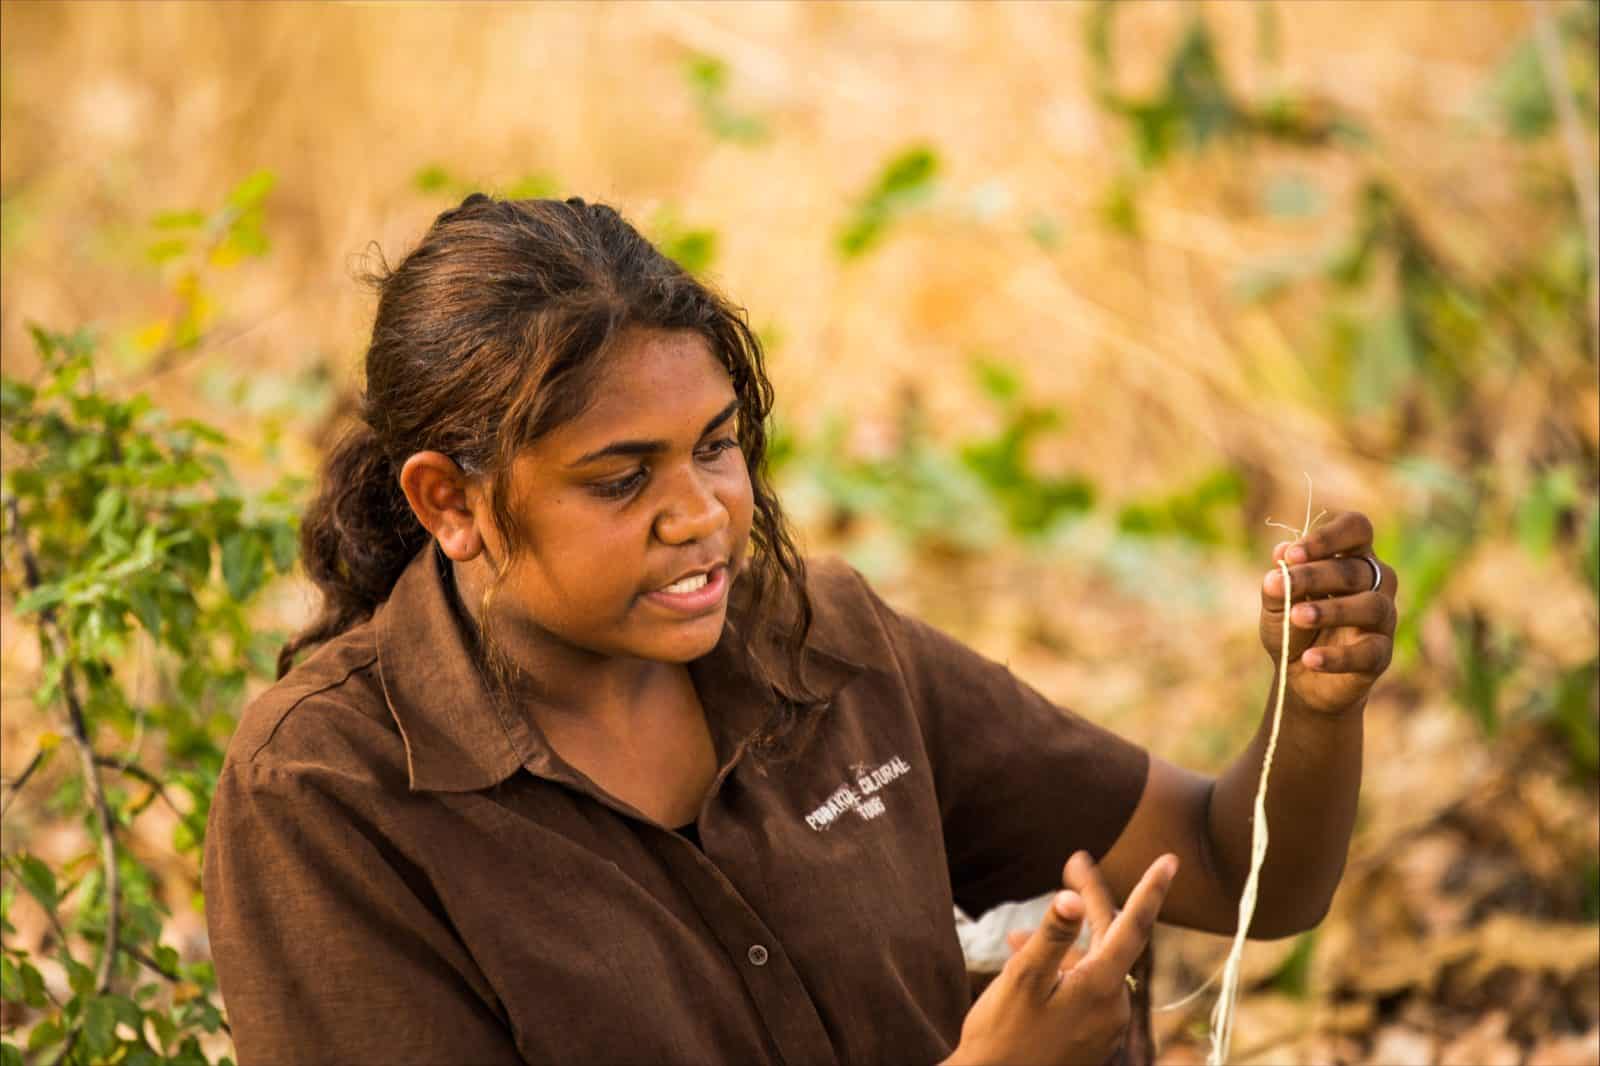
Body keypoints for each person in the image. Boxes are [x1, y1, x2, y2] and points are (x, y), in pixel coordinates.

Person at [201, 195, 1398, 1066]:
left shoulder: (823, 645)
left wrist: (1312, 706)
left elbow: (1243, 872)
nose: (703, 515)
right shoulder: (326, 790)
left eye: (715, 447)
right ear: (448, 502)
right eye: (621, 479)